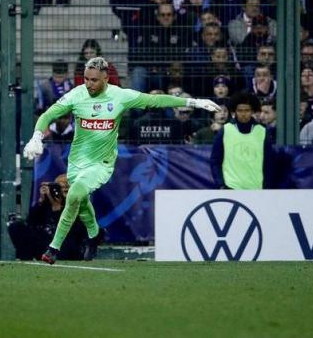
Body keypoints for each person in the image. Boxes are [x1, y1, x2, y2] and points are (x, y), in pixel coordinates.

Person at [23, 57, 221, 264]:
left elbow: (155, 100)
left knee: (74, 195)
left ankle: (53, 249)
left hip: (101, 163)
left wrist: (193, 102)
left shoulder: (120, 96)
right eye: (86, 79)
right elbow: (47, 115)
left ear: (106, 78)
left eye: (94, 81)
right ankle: (95, 234)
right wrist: (36, 137)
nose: (89, 85)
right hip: (77, 161)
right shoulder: (76, 94)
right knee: (81, 201)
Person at [8, 174, 85, 261]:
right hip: (45, 245)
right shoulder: (47, 204)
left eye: (66, 191)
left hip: (66, 247)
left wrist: (57, 210)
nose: (62, 193)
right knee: (16, 227)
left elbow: (74, 232)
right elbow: (31, 223)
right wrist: (41, 200)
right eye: (60, 189)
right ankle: (26, 260)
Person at [210, 92, 274, 189]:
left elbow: (268, 163)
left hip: (257, 188)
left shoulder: (262, 132)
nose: (243, 114)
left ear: (252, 111)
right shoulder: (225, 130)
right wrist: (221, 185)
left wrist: (266, 187)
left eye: (247, 110)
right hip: (231, 188)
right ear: (234, 111)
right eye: (240, 110)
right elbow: (215, 160)